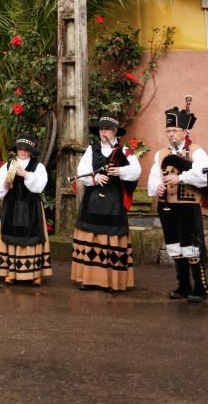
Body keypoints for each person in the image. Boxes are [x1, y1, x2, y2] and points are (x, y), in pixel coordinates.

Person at [147, 105, 208, 301]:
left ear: (185, 131)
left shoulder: (196, 151)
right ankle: (183, 285)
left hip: (188, 205)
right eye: (168, 130)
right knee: (175, 247)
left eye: (175, 130)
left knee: (191, 248)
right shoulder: (160, 154)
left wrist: (181, 178)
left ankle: (201, 288)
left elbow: (206, 175)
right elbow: (153, 176)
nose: (171, 134)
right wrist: (157, 187)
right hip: (167, 206)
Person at [71, 111, 141, 292]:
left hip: (114, 203)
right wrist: (94, 179)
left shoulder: (124, 151)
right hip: (92, 201)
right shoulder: (91, 150)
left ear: (115, 132)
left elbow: (135, 171)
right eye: (102, 129)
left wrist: (120, 171)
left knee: (113, 239)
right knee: (91, 236)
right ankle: (88, 279)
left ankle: (113, 282)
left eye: (108, 129)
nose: (104, 132)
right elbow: (82, 171)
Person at [0, 133, 52, 286]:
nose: (23, 151)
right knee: (11, 236)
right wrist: (5, 185)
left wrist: (26, 175)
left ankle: (36, 274)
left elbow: (39, 187)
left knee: (33, 237)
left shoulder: (38, 167)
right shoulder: (7, 165)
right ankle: (11, 273)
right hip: (11, 206)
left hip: (32, 207)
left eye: (26, 149)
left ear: (31, 150)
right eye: (20, 148)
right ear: (16, 149)